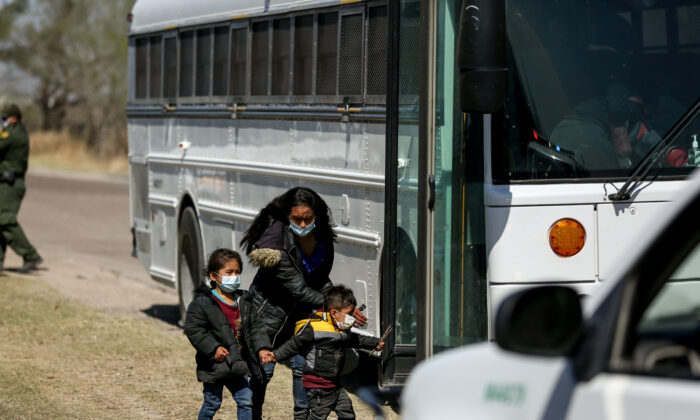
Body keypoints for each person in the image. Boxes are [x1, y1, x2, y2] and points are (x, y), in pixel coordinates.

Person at [239, 187, 367, 420]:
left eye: (308, 218)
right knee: (263, 371)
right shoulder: (276, 245)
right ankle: (252, 415)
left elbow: (320, 279)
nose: (303, 223)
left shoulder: (323, 238)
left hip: (300, 315)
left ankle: (302, 416)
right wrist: (333, 307)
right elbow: (298, 289)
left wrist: (340, 304)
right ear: (287, 216)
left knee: (302, 365)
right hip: (268, 315)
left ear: (316, 215)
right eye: (296, 219)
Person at [270, 285, 384, 420]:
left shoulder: (340, 329)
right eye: (349, 314)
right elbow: (293, 344)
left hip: (335, 384)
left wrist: (374, 342)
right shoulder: (315, 328)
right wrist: (275, 355)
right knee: (319, 416)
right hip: (318, 385)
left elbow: (354, 339)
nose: (352, 318)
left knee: (347, 413)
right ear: (334, 313)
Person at [184, 248, 253, 420]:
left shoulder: (243, 300)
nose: (234, 276)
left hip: (237, 362)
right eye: (228, 272)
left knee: (246, 400)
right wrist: (213, 349)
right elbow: (195, 330)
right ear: (213, 276)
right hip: (214, 363)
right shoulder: (203, 303)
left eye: (237, 272)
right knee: (212, 403)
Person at [550, 84, 661, 170]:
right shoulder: (625, 105)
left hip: (558, 134)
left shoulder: (595, 102)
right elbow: (618, 113)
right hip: (588, 133)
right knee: (612, 178)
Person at [0, 104, 42, 273]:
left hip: (10, 184)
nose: (3, 121)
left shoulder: (13, 134)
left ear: (14, 118)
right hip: (6, 182)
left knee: (5, 220)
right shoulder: (13, 132)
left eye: (4, 118)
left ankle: (30, 255)